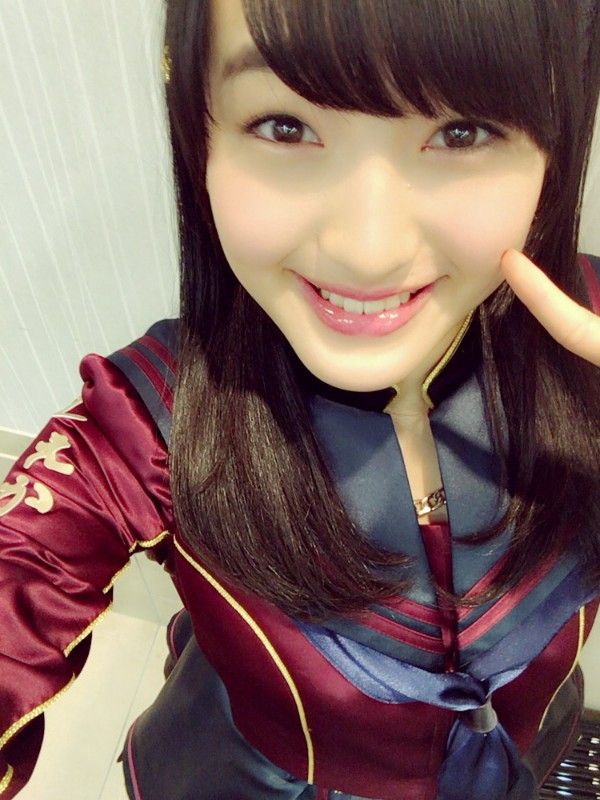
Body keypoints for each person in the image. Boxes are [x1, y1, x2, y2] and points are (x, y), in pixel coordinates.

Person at [1, 1, 600, 798]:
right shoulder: (153, 418)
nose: (367, 250)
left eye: (462, 132)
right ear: (200, 131)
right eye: (285, 127)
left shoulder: (586, 336)